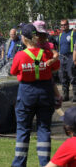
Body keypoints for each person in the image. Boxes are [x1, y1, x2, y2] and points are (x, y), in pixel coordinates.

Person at [10, 24, 60, 167]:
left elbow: (13, 72)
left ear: (24, 39)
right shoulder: (46, 53)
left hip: (26, 92)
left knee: (23, 129)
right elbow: (56, 67)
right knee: (44, 128)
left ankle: (19, 164)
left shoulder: (20, 55)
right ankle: (44, 163)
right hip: (45, 92)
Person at [33, 20, 62, 105]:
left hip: (46, 68)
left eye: (43, 35)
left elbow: (56, 54)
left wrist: (52, 60)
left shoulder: (49, 45)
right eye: (38, 35)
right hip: (37, 69)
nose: (40, 37)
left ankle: (57, 97)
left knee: (51, 82)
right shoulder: (33, 44)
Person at [58, 19, 76, 102]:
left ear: (68, 25)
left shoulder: (73, 34)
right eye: (62, 25)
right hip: (62, 58)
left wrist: (74, 59)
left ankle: (75, 95)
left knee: (72, 76)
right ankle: (66, 96)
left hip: (70, 57)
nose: (63, 26)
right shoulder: (60, 35)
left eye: (65, 25)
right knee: (63, 77)